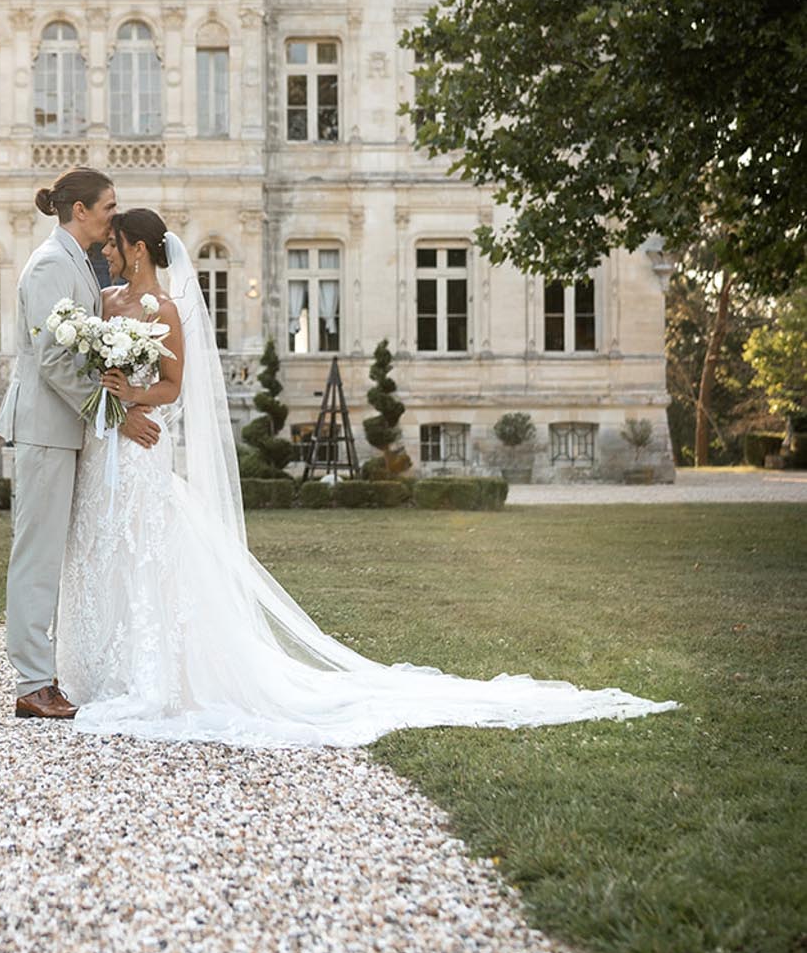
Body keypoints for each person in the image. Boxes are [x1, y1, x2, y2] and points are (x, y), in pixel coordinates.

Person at [54, 210, 681, 747]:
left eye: (112, 244)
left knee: (148, 553)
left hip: (140, 443)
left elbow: (172, 385)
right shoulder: (105, 302)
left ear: (136, 248)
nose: (104, 252)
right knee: (107, 547)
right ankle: (106, 668)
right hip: (109, 443)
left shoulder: (165, 307)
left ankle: (153, 672)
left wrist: (132, 397)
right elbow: (87, 370)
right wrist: (110, 397)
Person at [0, 169, 159, 721]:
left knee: (62, 556)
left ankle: (52, 671)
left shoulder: (78, 265)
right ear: (81, 211)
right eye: (109, 206)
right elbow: (55, 359)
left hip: (67, 432)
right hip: (45, 429)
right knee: (36, 555)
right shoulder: (48, 266)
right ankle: (33, 682)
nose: (115, 213)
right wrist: (115, 414)